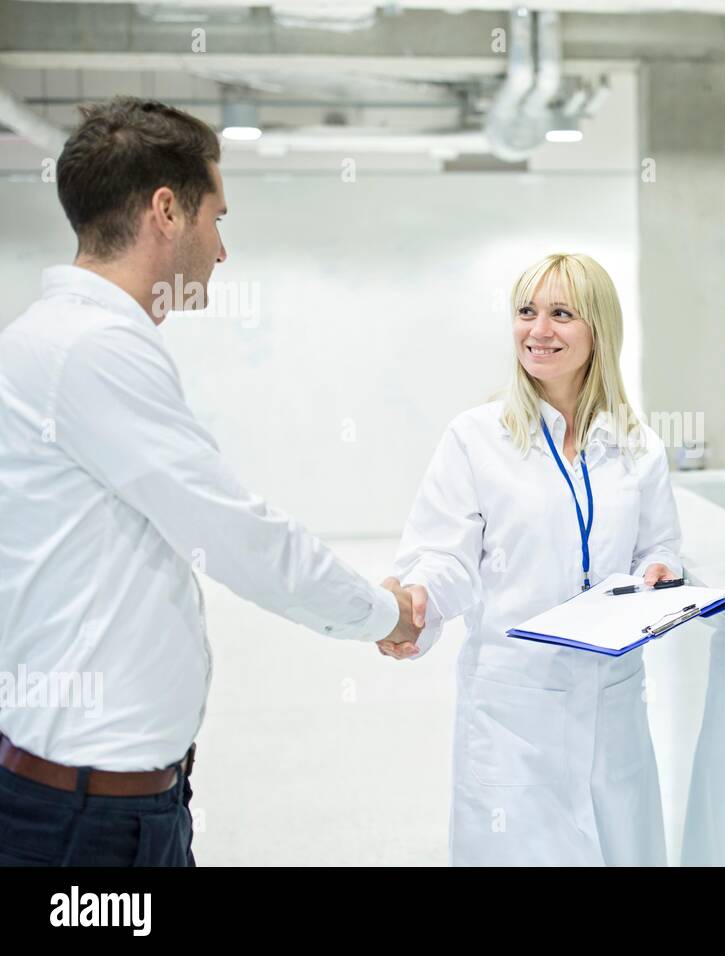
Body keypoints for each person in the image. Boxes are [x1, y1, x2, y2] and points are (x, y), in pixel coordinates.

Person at [0, 97, 421, 866]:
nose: (222, 250)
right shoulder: (92, 351)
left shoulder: (47, 341)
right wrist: (383, 612)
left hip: (109, 802)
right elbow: (237, 537)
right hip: (88, 824)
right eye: (216, 217)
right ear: (167, 210)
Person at [384, 252, 682, 866]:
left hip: (611, 702)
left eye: (561, 314)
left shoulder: (636, 444)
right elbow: (445, 557)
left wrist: (661, 570)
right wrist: (417, 602)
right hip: (514, 711)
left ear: (598, 328)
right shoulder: (476, 437)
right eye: (527, 311)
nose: (538, 330)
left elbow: (658, 545)